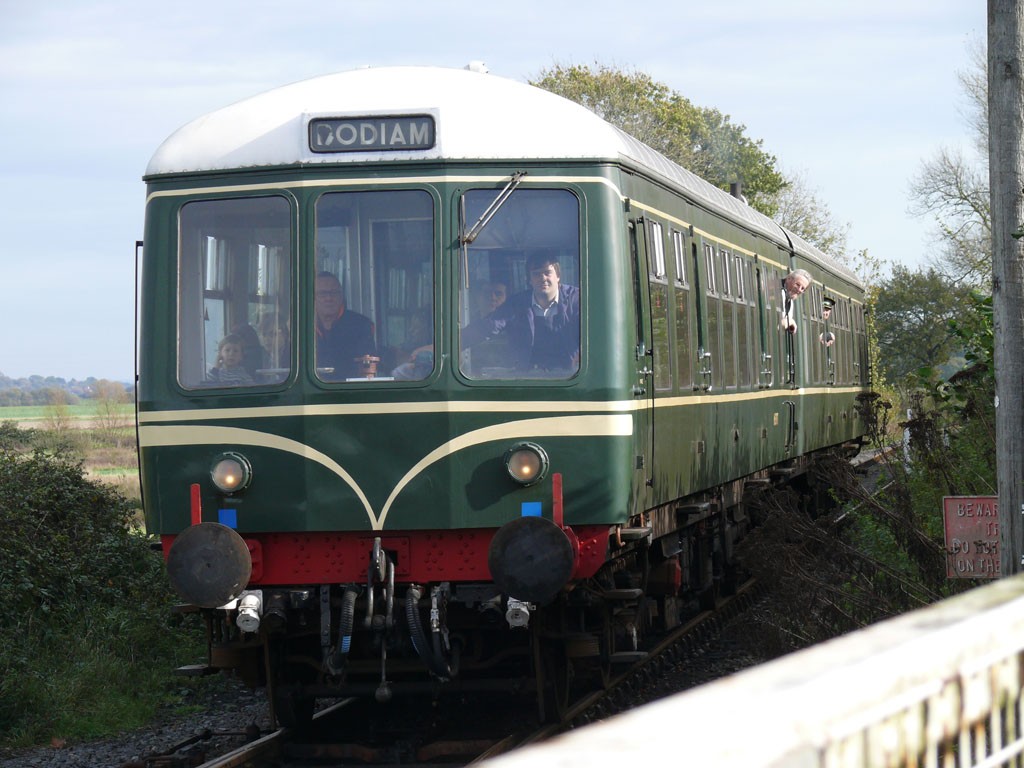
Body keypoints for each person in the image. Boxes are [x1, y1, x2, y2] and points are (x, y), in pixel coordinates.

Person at [462, 253, 580, 373]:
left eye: (547, 273)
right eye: (536, 274)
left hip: (571, 377)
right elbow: (488, 326)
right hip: (529, 377)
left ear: (558, 276)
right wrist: (452, 346)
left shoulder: (577, 300)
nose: (543, 278)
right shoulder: (517, 303)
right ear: (529, 280)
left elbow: (595, 330)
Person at [314, 271, 377, 380]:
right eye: (322, 294)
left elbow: (367, 367)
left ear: (342, 296)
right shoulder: (300, 327)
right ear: (313, 297)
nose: (328, 298)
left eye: (334, 293)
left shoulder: (361, 325)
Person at [780, 268, 812, 334]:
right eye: (797, 284)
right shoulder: (777, 291)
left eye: (803, 288)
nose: (799, 290)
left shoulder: (790, 301)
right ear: (788, 279)